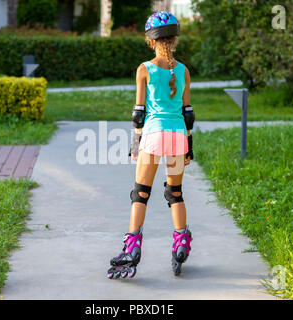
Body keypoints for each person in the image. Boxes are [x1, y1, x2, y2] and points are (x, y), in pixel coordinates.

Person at [107, 11, 194, 279]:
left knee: (140, 193)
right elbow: (188, 112)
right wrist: (188, 147)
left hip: (154, 135)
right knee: (174, 193)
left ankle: (132, 249)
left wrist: (136, 145)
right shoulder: (184, 71)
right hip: (178, 135)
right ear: (174, 40)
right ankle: (180, 243)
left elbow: (138, 113)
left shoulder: (144, 69)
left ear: (151, 41)